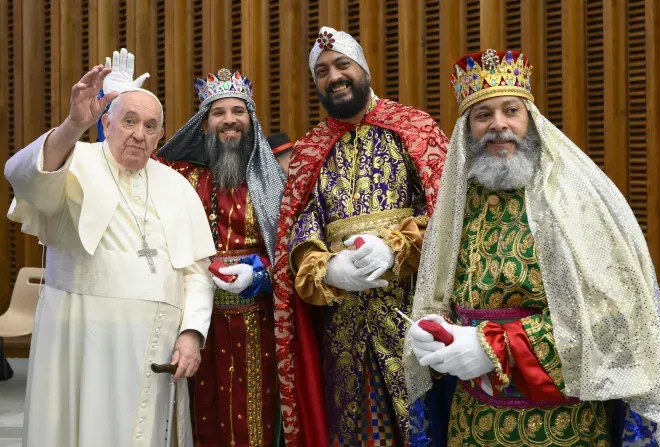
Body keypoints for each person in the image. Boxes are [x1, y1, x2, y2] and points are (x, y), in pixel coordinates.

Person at [404, 49, 660, 446]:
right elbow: (440, 295)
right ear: (467, 131)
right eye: (483, 115)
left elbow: (615, 315)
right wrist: (432, 328)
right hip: (472, 423)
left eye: (511, 111)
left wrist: (496, 348)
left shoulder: (573, 198)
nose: (498, 125)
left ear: (530, 120)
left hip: (560, 425)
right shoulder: (457, 206)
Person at [5, 59, 216, 447]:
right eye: (129, 121)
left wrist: (191, 334)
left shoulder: (177, 186)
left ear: (160, 136)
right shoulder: (76, 159)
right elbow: (22, 176)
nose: (138, 134)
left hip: (157, 349)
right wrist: (72, 126)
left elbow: (197, 273)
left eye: (150, 126)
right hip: (83, 342)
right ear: (106, 123)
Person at [273, 26, 449, 446]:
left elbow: (446, 213)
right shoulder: (312, 150)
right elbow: (300, 232)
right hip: (344, 330)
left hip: (411, 318)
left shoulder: (415, 128)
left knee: (422, 431)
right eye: (321, 71)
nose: (333, 76)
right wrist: (328, 270)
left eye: (342, 65)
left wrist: (394, 249)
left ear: (364, 69)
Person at [155, 67, 285, 447]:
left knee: (253, 424)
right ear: (204, 125)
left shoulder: (274, 181)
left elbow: (293, 251)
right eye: (218, 112)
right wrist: (112, 110)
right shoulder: (179, 177)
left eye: (238, 111)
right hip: (194, 324)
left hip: (257, 324)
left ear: (251, 121)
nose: (229, 119)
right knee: (200, 419)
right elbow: (131, 162)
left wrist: (259, 274)